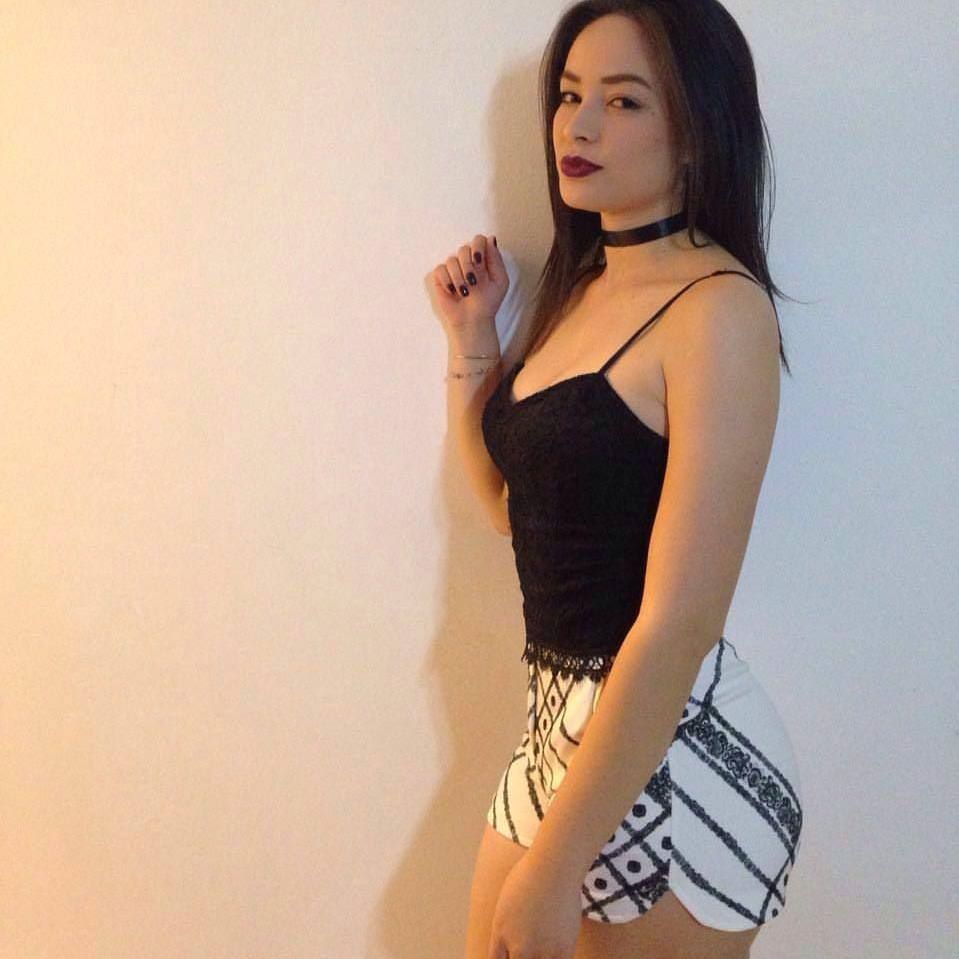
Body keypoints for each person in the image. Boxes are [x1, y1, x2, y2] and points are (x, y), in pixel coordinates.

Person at [430, 2, 804, 957]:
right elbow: (509, 510)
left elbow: (680, 620)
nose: (580, 125)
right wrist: (473, 341)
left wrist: (556, 863)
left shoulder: (718, 312)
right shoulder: (582, 286)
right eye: (569, 96)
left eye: (624, 100)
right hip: (554, 732)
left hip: (673, 755)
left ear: (696, 131)